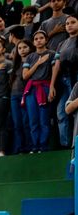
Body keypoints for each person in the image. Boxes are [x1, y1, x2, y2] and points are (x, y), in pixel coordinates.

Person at [23, 30, 56, 153]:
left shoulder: (52, 54)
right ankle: (35, 146)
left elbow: (54, 72)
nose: (39, 40)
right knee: (33, 119)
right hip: (31, 90)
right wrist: (38, 63)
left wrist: (52, 87)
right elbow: (25, 76)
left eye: (41, 38)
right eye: (36, 39)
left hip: (45, 87)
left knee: (44, 119)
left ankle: (43, 146)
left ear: (46, 40)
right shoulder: (30, 57)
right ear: (33, 42)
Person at [49, 12, 78, 148]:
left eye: (73, 22)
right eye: (67, 23)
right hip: (63, 80)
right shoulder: (61, 44)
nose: (69, 25)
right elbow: (56, 65)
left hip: (76, 78)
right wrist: (52, 85)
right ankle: (66, 145)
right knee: (61, 112)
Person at [11, 39, 35, 153]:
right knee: (17, 123)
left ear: (30, 48)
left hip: (27, 94)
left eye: (25, 47)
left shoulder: (33, 61)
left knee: (27, 122)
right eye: (19, 48)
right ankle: (20, 148)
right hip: (14, 96)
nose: (22, 50)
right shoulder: (15, 63)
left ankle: (30, 146)